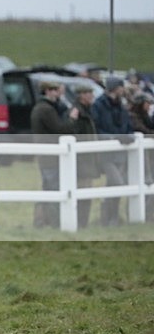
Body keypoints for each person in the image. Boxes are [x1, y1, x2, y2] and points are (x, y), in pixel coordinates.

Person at [30, 82, 78, 228]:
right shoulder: (46, 110)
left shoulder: (42, 107)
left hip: (46, 155)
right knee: (52, 188)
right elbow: (60, 129)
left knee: (48, 187)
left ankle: (41, 221)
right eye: (56, 90)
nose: (59, 93)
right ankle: (53, 222)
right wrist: (72, 119)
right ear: (48, 91)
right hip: (50, 156)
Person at [92, 76, 133, 227]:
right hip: (106, 154)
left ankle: (110, 218)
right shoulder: (99, 105)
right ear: (115, 88)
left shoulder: (121, 106)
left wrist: (129, 135)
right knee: (117, 183)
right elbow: (97, 128)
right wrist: (113, 137)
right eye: (121, 87)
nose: (123, 90)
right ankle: (109, 217)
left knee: (113, 186)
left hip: (120, 153)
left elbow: (127, 124)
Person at [71, 85, 100, 228]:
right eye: (88, 93)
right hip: (82, 161)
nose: (91, 96)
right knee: (82, 192)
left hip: (88, 159)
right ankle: (80, 223)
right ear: (81, 95)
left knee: (86, 192)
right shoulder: (77, 113)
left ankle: (83, 223)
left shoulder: (88, 112)